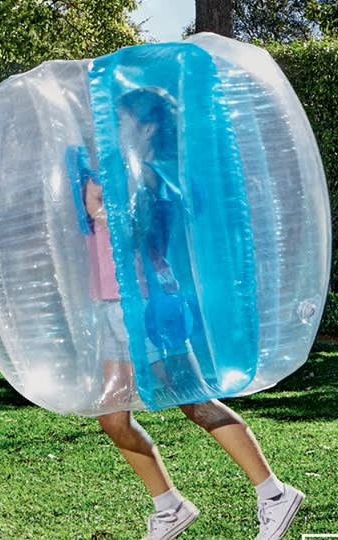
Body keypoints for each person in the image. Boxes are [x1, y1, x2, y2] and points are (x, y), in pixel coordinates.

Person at [83, 87, 305, 540]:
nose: (110, 129)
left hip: (145, 308)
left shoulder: (145, 178)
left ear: (145, 128)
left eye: (121, 122)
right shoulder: (112, 172)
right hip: (114, 307)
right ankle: (170, 506)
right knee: (112, 416)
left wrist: (102, 204)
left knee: (193, 399)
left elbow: (127, 230)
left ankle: (275, 494)